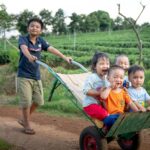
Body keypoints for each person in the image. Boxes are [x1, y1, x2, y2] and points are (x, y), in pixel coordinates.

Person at [17, 17, 72, 134]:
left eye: (37, 27)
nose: (34, 28)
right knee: (26, 101)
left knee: (39, 101)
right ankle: (26, 124)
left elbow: (52, 49)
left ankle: (23, 119)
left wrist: (64, 57)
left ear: (40, 30)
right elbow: (24, 49)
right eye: (32, 26)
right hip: (23, 76)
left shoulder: (40, 41)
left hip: (36, 76)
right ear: (28, 28)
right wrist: (29, 57)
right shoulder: (23, 39)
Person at [82, 52, 110, 123]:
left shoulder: (107, 78)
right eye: (102, 64)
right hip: (90, 104)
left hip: (101, 104)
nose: (105, 66)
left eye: (107, 64)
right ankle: (103, 124)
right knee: (105, 114)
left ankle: (105, 123)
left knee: (113, 112)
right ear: (95, 66)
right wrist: (98, 93)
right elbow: (86, 90)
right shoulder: (92, 77)